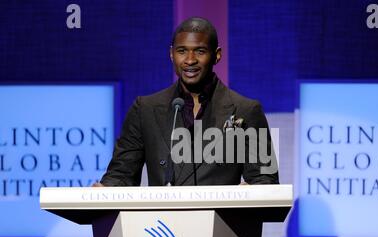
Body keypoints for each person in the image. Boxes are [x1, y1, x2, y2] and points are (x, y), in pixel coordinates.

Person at [95, 17, 278, 187]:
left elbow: (265, 179)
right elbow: (121, 175)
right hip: (160, 221)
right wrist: (105, 190)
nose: (190, 60)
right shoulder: (144, 109)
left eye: (200, 51)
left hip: (221, 220)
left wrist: (251, 192)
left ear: (217, 55)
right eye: (182, 51)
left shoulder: (245, 110)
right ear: (171, 54)